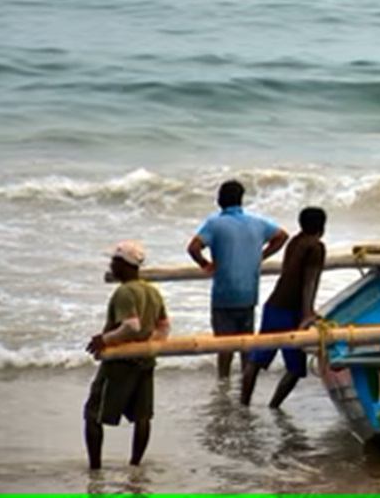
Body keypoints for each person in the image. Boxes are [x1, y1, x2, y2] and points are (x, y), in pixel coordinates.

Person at [187, 180, 288, 379]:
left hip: (224, 294)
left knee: (224, 346)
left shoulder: (214, 223)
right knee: (246, 345)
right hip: (248, 294)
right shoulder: (258, 222)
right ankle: (245, 384)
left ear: (219, 200)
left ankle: (223, 384)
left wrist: (205, 264)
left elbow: (193, 248)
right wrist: (261, 256)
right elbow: (282, 236)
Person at [84, 241, 170, 470]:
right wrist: (150, 346)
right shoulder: (151, 290)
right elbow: (164, 327)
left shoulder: (124, 292)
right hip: (145, 360)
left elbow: (131, 325)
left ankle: (95, 468)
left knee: (93, 414)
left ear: (124, 265)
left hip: (120, 363)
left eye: (114, 261)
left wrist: (105, 339)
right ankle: (135, 466)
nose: (111, 265)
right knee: (142, 416)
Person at [241, 207, 327, 408]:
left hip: (273, 307)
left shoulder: (295, 241)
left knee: (256, 361)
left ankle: (243, 405)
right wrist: (308, 313)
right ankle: (273, 406)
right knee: (296, 368)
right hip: (292, 311)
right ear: (322, 226)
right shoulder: (316, 247)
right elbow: (309, 281)